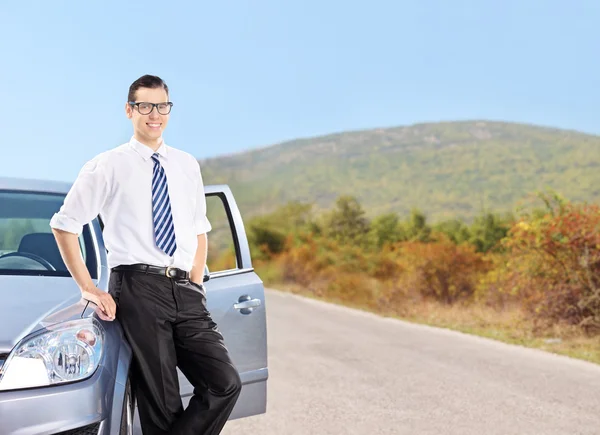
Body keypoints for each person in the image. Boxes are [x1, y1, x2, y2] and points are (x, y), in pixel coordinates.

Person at [50, 74, 242, 434]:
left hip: (186, 290)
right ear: (129, 110)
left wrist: (196, 282)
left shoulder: (187, 165)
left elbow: (199, 229)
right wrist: (89, 288)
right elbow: (64, 225)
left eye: (162, 106)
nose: (155, 114)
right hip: (138, 289)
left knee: (225, 382)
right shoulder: (107, 165)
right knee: (161, 404)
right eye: (146, 106)